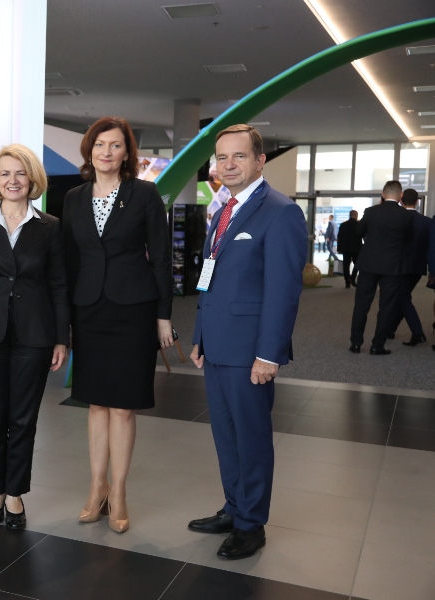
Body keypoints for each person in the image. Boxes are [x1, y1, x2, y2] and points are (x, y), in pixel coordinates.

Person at [188, 124, 306, 560]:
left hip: (249, 351)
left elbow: (283, 291)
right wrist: (199, 337)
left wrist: (268, 354)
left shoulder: (280, 211)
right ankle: (234, 507)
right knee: (226, 436)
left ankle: (251, 524)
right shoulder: (224, 210)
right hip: (217, 345)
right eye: (222, 157)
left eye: (239, 156)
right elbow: (211, 278)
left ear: (260, 160)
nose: (229, 164)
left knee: (251, 440)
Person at [62, 116, 173, 534]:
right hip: (88, 310)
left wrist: (164, 316)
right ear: (89, 150)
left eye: (115, 145)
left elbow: (161, 258)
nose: (106, 152)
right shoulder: (73, 197)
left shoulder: (144, 194)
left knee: (123, 406)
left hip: (133, 311)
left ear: (127, 153)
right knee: (95, 403)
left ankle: (120, 491)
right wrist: (64, 320)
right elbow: (68, 261)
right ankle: (98, 487)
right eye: (99, 144)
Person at [0, 145, 69, 530]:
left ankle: (15, 492)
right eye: (5, 173)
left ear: (32, 179)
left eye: (20, 173)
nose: (13, 180)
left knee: (23, 418)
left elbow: (58, 284)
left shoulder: (49, 226)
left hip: (34, 334)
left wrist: (61, 338)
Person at [349, 180, 413, 355]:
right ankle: (377, 345)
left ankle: (356, 344)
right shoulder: (405, 215)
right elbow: (409, 239)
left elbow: (359, 231)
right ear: (400, 196)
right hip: (393, 266)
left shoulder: (371, 211)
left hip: (368, 264)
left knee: (361, 304)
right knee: (386, 306)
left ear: (383, 195)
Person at [391, 189, 430, 346]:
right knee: (403, 296)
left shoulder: (397, 219)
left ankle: (418, 333)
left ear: (401, 200)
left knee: (403, 297)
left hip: (399, 266)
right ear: (417, 202)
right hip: (418, 266)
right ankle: (390, 329)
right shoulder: (427, 222)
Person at [337, 210, 362, 288]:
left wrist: (339, 247)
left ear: (350, 215)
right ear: (356, 215)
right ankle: (352, 277)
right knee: (358, 264)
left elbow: (339, 237)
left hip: (346, 248)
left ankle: (347, 282)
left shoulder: (343, 225)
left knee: (346, 265)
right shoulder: (359, 224)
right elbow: (362, 235)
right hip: (356, 248)